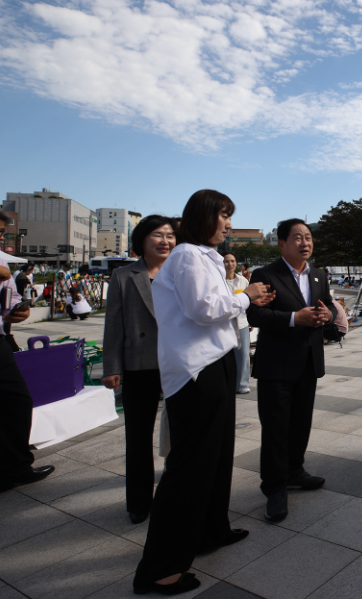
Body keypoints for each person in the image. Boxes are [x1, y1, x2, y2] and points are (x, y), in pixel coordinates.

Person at [133, 190, 274, 595]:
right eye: (223, 215)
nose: (228, 223)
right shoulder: (188, 255)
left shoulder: (206, 257)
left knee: (214, 459)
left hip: (216, 364)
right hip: (197, 371)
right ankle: (159, 569)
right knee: (190, 468)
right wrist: (246, 296)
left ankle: (212, 530)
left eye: (231, 216)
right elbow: (203, 308)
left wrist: (244, 298)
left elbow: (214, 305)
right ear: (202, 217)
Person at [246, 219, 334, 523]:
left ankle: (295, 471)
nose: (305, 242)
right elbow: (254, 312)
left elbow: (332, 307)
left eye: (308, 237)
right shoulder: (266, 274)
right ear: (282, 243)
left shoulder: (319, 276)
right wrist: (294, 318)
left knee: (300, 423)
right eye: (297, 237)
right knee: (275, 429)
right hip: (276, 365)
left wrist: (328, 313)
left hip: (308, 362)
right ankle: (274, 488)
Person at [0, 205, 54, 494]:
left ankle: (13, 469)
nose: (1, 238)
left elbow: (11, 298)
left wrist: (18, 311)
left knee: (15, 406)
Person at [102, 215, 178, 524]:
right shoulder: (123, 275)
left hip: (177, 363)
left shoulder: (180, 273)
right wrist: (111, 367)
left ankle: (175, 493)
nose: (165, 241)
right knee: (137, 436)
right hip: (139, 364)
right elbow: (113, 326)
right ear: (141, 241)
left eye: (170, 235)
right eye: (158, 235)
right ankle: (138, 501)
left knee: (180, 434)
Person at [222, 252, 252, 395]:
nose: (230, 264)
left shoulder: (242, 281)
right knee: (225, 356)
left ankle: (242, 384)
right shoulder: (218, 281)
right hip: (224, 325)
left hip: (241, 323)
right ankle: (226, 383)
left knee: (243, 354)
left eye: (232, 261)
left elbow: (249, 302)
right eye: (226, 261)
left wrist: (251, 322)